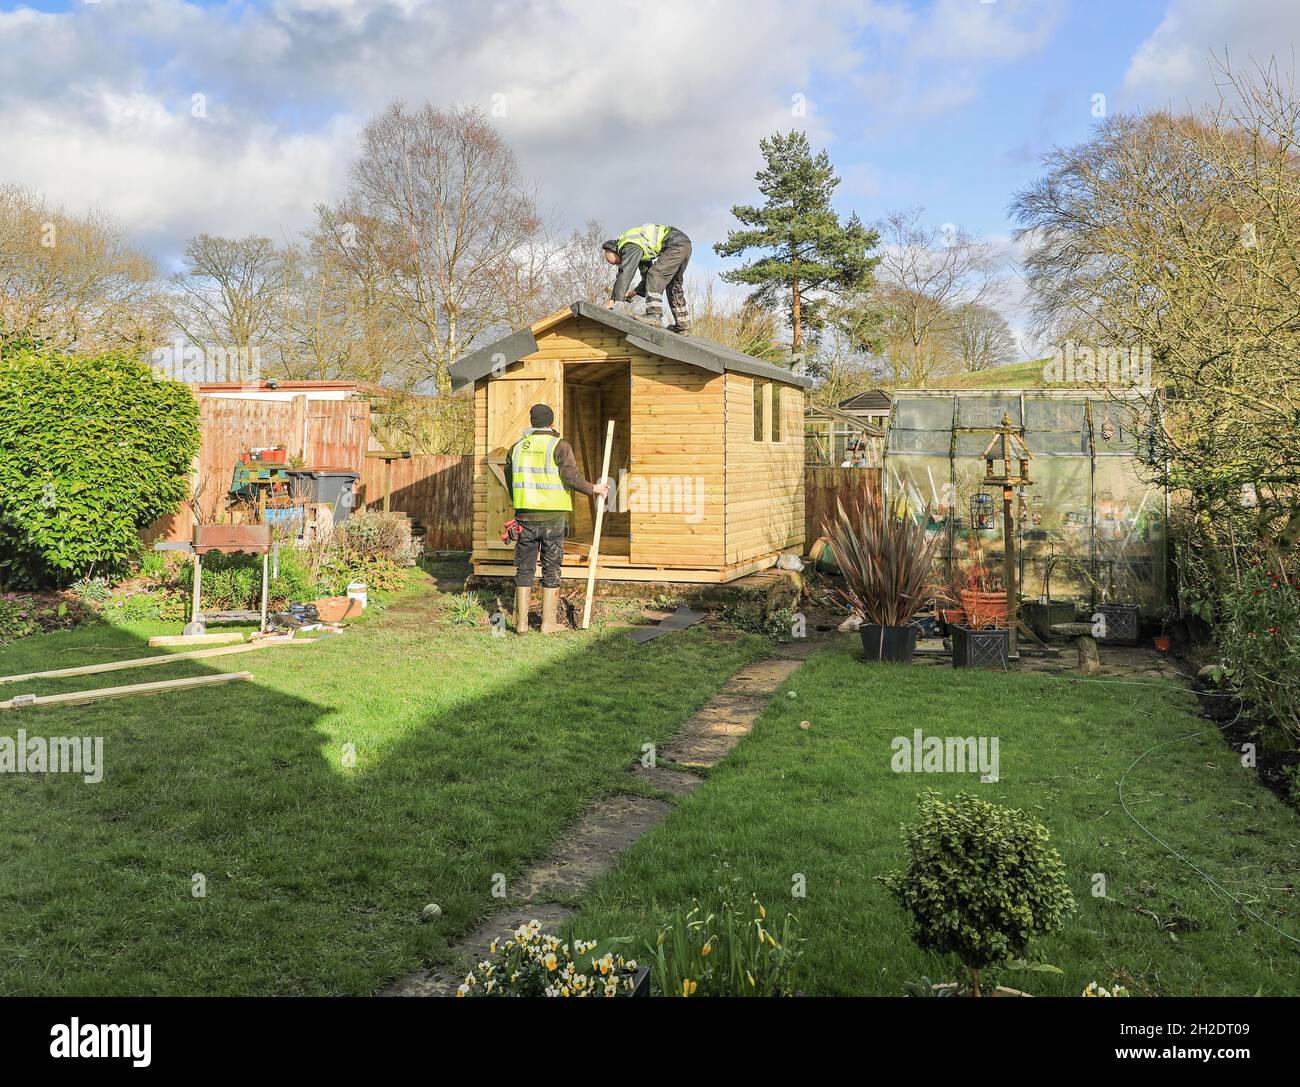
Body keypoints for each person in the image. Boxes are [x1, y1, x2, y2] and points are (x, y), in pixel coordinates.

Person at [504, 404, 609, 634]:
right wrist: (594, 488)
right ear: (551, 423)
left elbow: (510, 480)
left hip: (524, 519)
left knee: (524, 568)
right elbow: (571, 478)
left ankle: (521, 625)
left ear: (532, 422)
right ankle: (547, 623)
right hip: (552, 519)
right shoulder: (560, 446)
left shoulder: (517, 448)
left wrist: (520, 504)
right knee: (551, 567)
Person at [601, 223, 692, 333]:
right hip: (684, 244)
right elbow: (646, 277)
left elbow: (625, 272)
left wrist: (612, 301)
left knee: (655, 274)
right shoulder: (638, 248)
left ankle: (654, 315)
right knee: (673, 283)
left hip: (674, 244)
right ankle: (683, 323)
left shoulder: (629, 245)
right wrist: (632, 293)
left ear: (617, 251)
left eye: (617, 261)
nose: (619, 264)